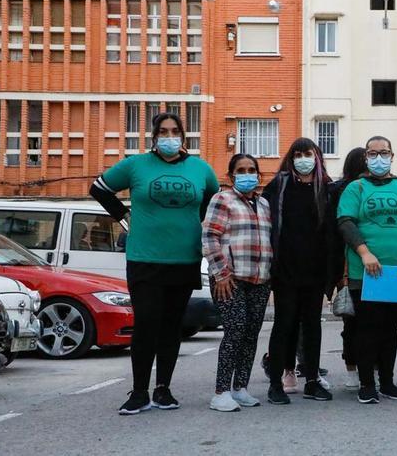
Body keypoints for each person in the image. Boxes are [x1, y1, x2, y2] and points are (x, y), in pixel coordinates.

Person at [90, 112, 219, 415]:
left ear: (184, 137)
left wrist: (194, 224)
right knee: (146, 323)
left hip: (184, 259)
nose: (169, 137)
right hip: (145, 259)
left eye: (175, 132)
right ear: (154, 137)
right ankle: (139, 392)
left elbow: (213, 204)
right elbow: (99, 188)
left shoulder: (201, 169)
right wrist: (123, 216)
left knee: (172, 327)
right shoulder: (136, 165)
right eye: (163, 132)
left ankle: (163, 389)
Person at [337, 136, 397, 404]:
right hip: (365, 272)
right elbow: (345, 222)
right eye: (373, 153)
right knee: (366, 328)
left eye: (384, 152)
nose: (379, 158)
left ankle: (387, 383)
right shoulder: (356, 188)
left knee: (390, 329)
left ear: (392, 156)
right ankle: (367, 384)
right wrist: (365, 253)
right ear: (365, 157)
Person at [264, 138, 334, 405]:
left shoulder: (327, 188)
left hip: (315, 270)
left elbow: (332, 231)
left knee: (313, 326)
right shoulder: (280, 185)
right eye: (298, 154)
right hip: (285, 269)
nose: (303, 159)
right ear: (291, 157)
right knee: (285, 325)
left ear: (316, 157)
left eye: (308, 153)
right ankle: (276, 382)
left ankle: (312, 380)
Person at [202, 154, 272, 412]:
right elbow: (210, 236)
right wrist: (221, 273)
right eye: (241, 170)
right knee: (235, 331)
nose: (247, 174)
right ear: (231, 176)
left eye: (251, 169)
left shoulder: (263, 204)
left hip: (260, 278)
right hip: (230, 280)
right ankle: (220, 392)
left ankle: (240, 388)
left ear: (258, 175)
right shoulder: (222, 199)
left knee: (251, 334)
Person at [328, 147, 368, 390]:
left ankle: (360, 369)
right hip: (348, 262)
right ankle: (355, 370)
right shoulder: (342, 190)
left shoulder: (377, 187)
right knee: (354, 321)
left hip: (362, 262)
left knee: (362, 322)